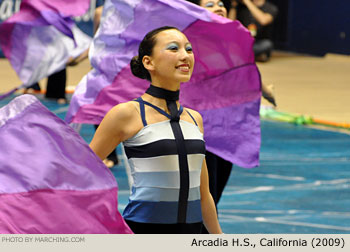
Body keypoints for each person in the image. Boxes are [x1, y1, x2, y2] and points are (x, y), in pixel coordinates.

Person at [89, 26, 222, 234]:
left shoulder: (194, 119)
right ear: (148, 62)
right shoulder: (127, 113)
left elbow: (204, 194)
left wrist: (218, 238)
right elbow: (82, 171)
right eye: (173, 48)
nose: (185, 55)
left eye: (188, 49)